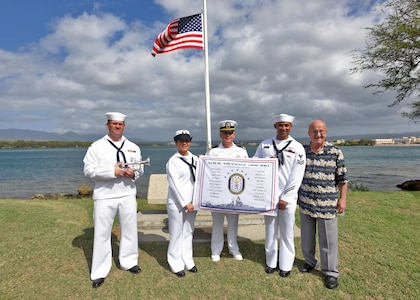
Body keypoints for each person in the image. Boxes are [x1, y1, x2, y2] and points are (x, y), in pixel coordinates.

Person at [83, 112, 144, 288]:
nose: (117, 126)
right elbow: (89, 171)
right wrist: (112, 171)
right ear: (107, 125)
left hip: (127, 194)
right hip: (104, 196)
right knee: (102, 233)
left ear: (124, 126)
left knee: (130, 230)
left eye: (120, 124)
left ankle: (129, 261)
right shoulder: (96, 146)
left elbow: (140, 170)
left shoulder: (133, 146)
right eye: (114, 124)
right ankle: (99, 271)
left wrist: (134, 173)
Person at [253, 113, 306, 277]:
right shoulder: (265, 145)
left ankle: (285, 265)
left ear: (291, 127)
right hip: (268, 197)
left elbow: (297, 176)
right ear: (275, 126)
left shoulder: (297, 147)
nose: (283, 128)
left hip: (287, 199)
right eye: (280, 125)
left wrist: (286, 198)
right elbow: (254, 165)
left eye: (286, 125)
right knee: (270, 231)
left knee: (287, 233)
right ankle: (271, 262)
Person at [298, 120, 348, 289]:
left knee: (328, 241)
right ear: (308, 133)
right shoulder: (302, 152)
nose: (318, 135)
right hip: (305, 203)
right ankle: (310, 262)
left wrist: (343, 199)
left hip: (327, 205)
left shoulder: (335, 152)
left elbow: (343, 180)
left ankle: (330, 273)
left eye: (321, 131)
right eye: (315, 131)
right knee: (307, 237)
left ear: (326, 132)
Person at [205, 120, 249, 262]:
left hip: (234, 193)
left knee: (233, 223)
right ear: (220, 134)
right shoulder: (213, 152)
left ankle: (233, 248)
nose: (227, 135)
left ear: (234, 135)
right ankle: (216, 250)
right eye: (225, 133)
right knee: (217, 223)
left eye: (230, 133)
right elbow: (206, 172)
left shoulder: (241, 152)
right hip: (217, 194)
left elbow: (248, 171)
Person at [166, 130, 198, 277]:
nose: (184, 143)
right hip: (177, 204)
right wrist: (186, 203)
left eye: (187, 140)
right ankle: (175, 263)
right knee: (176, 233)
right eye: (181, 141)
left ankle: (188, 260)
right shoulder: (173, 161)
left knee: (188, 232)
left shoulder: (195, 159)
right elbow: (174, 185)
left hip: (193, 202)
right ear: (176, 143)